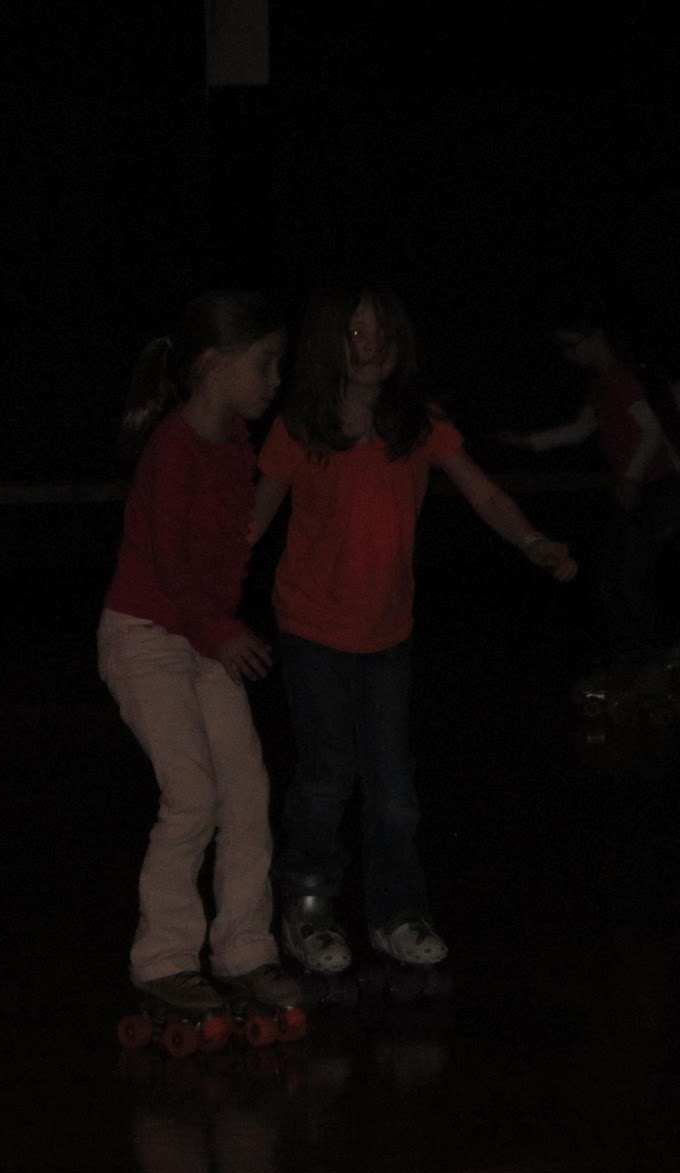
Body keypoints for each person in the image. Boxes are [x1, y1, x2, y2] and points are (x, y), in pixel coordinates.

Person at [251, 280, 578, 976]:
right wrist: (193, 605)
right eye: (354, 331)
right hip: (311, 628)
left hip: (386, 634)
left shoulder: (417, 423)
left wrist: (532, 542)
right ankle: (306, 907)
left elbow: (482, 489)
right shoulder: (300, 425)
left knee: (393, 783)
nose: (369, 344)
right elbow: (250, 522)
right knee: (326, 776)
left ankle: (397, 911)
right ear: (329, 343)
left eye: (380, 330)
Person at [97, 289, 301, 1028]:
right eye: (266, 365)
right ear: (214, 365)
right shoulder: (172, 450)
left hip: (202, 634)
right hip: (146, 637)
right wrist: (222, 633)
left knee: (246, 789)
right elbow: (176, 571)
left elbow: (229, 542)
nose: (275, 381)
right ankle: (163, 960)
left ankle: (245, 948)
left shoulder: (234, 443)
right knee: (192, 795)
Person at [499, 294, 680, 695]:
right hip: (632, 491)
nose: (568, 355)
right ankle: (627, 659)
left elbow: (651, 432)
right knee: (609, 579)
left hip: (657, 488)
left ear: (596, 337)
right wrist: (528, 441)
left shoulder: (623, 377)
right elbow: (581, 429)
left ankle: (658, 659)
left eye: (572, 344)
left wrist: (631, 477)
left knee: (632, 576)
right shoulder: (600, 386)